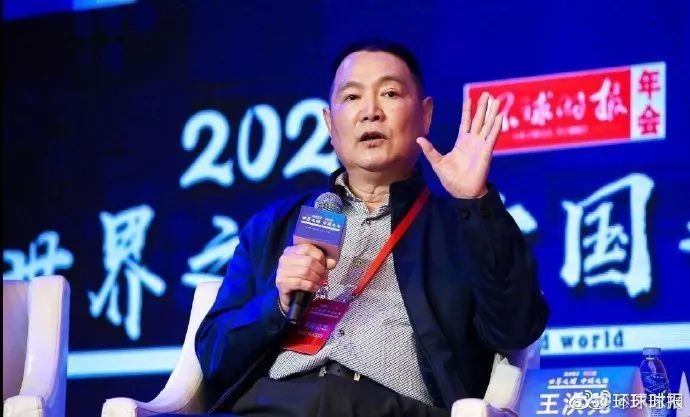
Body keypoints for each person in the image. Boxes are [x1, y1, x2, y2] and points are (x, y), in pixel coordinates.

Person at [194, 41, 549, 417]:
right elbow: (214, 356)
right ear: (330, 123)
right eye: (352, 97)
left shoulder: (462, 228)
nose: (370, 112)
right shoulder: (273, 226)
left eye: (390, 93)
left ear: (425, 115)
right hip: (277, 407)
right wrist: (277, 305)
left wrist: (476, 202)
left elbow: (516, 329)